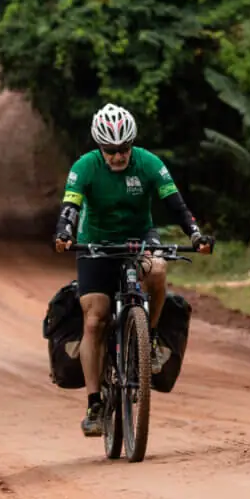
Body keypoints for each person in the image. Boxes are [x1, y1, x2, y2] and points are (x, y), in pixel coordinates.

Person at [53, 103, 213, 437]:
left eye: (124, 148)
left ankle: (147, 339)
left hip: (140, 238)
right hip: (95, 242)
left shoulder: (149, 163)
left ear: (132, 144)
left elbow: (176, 205)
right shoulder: (85, 166)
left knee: (157, 270)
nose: (117, 156)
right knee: (95, 319)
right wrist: (64, 233)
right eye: (110, 150)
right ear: (100, 147)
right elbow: (70, 207)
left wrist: (196, 235)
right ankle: (94, 404)